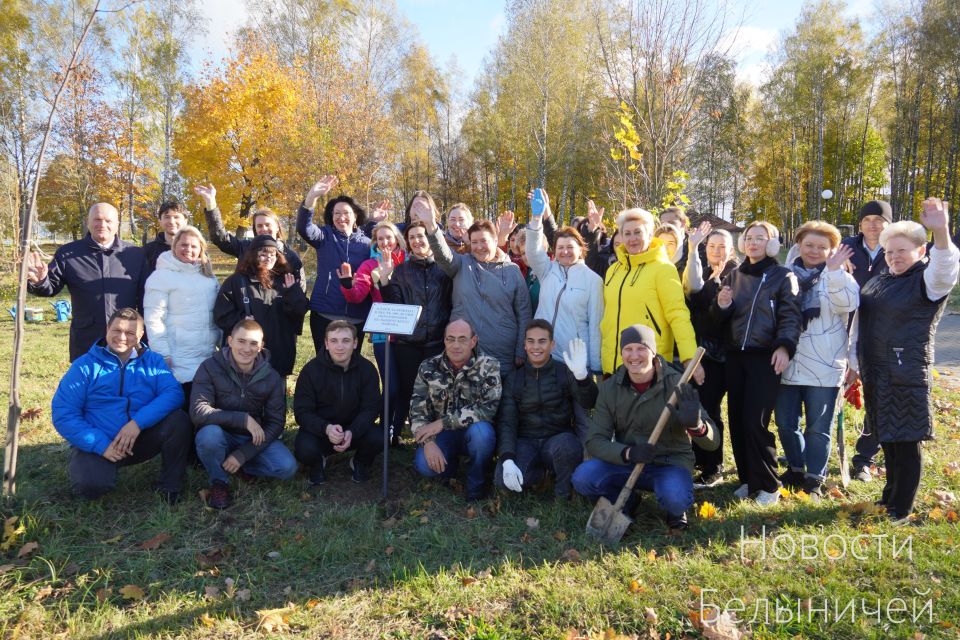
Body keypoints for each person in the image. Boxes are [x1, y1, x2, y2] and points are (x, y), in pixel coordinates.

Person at [849, 198, 959, 522]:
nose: (894, 257)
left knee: (906, 442)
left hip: (905, 372)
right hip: (876, 373)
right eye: (889, 251)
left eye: (902, 251)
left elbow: (946, 266)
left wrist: (940, 230)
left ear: (921, 252)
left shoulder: (927, 280)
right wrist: (855, 364)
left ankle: (901, 508)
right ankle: (889, 498)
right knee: (889, 440)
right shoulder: (883, 279)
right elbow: (861, 323)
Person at [571, 324, 719, 530]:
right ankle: (628, 501)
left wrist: (696, 426)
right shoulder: (610, 389)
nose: (634, 356)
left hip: (669, 463)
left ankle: (675, 510)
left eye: (641, 348)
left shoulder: (677, 383)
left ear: (653, 352)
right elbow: (595, 441)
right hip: (629, 463)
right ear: (621, 353)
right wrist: (628, 453)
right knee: (583, 477)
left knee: (675, 498)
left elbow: (713, 443)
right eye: (628, 349)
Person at [51, 308, 190, 503]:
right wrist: (101, 445)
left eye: (130, 332)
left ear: (141, 335)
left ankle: (170, 485)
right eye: (116, 330)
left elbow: (173, 393)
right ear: (107, 329)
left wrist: (137, 423)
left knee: (178, 420)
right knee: (91, 486)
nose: (122, 337)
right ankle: (99, 469)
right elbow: (64, 414)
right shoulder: (84, 366)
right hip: (101, 441)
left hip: (139, 438)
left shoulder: (153, 361)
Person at [711, 220, 801, 506]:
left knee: (755, 422)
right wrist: (721, 307)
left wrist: (785, 347)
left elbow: (790, 316)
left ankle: (770, 484)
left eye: (760, 238)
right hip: (735, 356)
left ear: (772, 244)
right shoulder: (734, 276)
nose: (753, 242)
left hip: (765, 357)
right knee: (737, 419)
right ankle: (748, 480)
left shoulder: (783, 276)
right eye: (749, 237)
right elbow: (719, 320)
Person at [775, 221, 859, 497]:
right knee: (786, 424)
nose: (814, 251)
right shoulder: (784, 274)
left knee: (818, 427)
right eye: (809, 244)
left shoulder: (840, 276)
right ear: (798, 244)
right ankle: (796, 468)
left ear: (832, 250)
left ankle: (814, 477)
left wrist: (834, 272)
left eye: (822, 247)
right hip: (788, 361)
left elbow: (848, 304)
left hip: (825, 364)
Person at [190, 319, 298, 509]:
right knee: (209, 436)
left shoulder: (271, 376)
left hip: (251, 439)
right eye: (241, 341)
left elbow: (275, 423)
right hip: (219, 432)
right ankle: (219, 481)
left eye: (253, 343)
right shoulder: (209, 367)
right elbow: (198, 411)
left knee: (287, 467)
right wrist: (242, 419)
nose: (247, 348)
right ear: (230, 341)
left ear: (261, 346)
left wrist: (243, 454)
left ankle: (240, 465)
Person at [415, 206, 532, 375]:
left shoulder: (512, 271)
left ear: (494, 240)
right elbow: (443, 255)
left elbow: (524, 312)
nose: (479, 247)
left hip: (502, 353)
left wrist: (522, 350)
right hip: (464, 351)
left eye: (484, 241)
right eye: (474, 242)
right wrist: (431, 227)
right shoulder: (461, 264)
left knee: (501, 399)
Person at [27, 203, 148, 361]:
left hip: (126, 340)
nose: (102, 225)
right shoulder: (68, 254)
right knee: (89, 385)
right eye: (97, 219)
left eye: (108, 221)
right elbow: (50, 288)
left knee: (126, 383)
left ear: (117, 224)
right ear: (88, 221)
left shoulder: (135, 255)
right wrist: (40, 280)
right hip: (87, 340)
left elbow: (146, 298)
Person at [380, 193, 453, 443]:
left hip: (435, 342)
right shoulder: (401, 271)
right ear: (407, 243)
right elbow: (394, 305)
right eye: (411, 238)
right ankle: (395, 432)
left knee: (436, 392)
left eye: (421, 236)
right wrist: (384, 280)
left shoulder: (444, 269)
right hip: (408, 344)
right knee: (407, 390)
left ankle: (433, 436)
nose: (417, 241)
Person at [495, 322, 598, 499]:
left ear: (552, 344)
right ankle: (540, 475)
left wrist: (582, 377)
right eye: (531, 341)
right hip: (526, 440)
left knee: (567, 446)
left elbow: (590, 402)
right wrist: (507, 458)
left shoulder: (565, 371)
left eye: (542, 341)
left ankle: (563, 493)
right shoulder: (514, 378)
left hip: (558, 439)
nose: (536, 347)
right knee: (502, 481)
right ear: (525, 345)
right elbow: (507, 422)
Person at [599, 208, 700, 380]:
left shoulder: (663, 269)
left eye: (638, 232)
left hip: (648, 366)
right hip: (613, 365)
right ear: (621, 236)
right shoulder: (613, 271)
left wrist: (689, 356)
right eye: (627, 233)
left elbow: (678, 314)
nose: (632, 239)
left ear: (650, 234)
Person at [409, 319, 501, 501]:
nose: (456, 345)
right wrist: (427, 442)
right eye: (450, 339)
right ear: (444, 340)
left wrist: (442, 422)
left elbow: (487, 409)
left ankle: (476, 485)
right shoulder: (428, 367)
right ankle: (447, 468)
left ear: (473, 341)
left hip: (474, 432)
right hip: (443, 436)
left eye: (462, 339)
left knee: (482, 436)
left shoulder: (489, 365)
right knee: (423, 464)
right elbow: (416, 410)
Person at [297, 176, 384, 353]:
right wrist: (312, 197)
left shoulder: (367, 244)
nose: (341, 217)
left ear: (356, 216)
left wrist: (374, 222)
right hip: (324, 314)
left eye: (346, 213)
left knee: (351, 367)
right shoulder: (324, 237)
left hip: (356, 316)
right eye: (336, 213)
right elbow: (303, 227)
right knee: (324, 366)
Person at [293, 320, 383, 485]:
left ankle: (359, 462)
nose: (339, 347)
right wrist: (326, 428)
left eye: (346, 341)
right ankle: (318, 462)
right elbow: (302, 412)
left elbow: (371, 408)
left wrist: (352, 431)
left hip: (354, 430)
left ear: (355, 343)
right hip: (322, 431)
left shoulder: (367, 369)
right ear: (326, 344)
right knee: (303, 449)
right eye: (334, 341)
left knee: (379, 437)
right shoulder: (310, 371)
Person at [339, 220, 405, 439]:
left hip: (408, 333)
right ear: (375, 241)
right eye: (380, 238)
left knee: (405, 386)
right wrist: (348, 285)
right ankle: (385, 430)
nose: (385, 242)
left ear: (397, 239)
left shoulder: (407, 261)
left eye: (389, 237)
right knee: (392, 386)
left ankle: (396, 432)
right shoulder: (369, 265)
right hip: (382, 332)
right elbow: (358, 295)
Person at [524, 191, 603, 375]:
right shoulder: (547, 270)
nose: (565, 252)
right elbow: (533, 251)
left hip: (574, 360)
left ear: (581, 249)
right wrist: (537, 218)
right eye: (560, 247)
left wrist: (595, 367)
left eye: (570, 247)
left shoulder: (593, 280)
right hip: (543, 355)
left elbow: (595, 326)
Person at [683, 223, 737, 486]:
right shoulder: (700, 272)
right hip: (696, 352)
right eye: (712, 246)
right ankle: (698, 456)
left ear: (731, 250)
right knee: (696, 407)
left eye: (722, 247)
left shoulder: (736, 276)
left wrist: (714, 285)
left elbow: (716, 320)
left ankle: (713, 464)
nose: (716, 251)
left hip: (722, 356)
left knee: (712, 410)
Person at [842, 200, 891, 483]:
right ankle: (815, 452)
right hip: (843, 328)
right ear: (859, 224)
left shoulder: (896, 247)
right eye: (867, 219)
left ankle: (864, 459)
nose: (872, 224)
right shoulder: (846, 246)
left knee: (876, 397)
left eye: (878, 219)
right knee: (829, 392)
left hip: (882, 332)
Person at [143, 226, 220, 400]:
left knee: (204, 405)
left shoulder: (208, 276)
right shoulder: (161, 277)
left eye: (194, 246)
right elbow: (154, 319)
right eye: (184, 245)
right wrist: (162, 353)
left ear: (201, 249)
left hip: (206, 354)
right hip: (177, 356)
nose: (188, 250)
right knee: (180, 403)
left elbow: (216, 315)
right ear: (174, 246)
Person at [214, 236, 308, 377]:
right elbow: (221, 314)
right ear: (253, 256)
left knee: (275, 395)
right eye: (263, 254)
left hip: (279, 352)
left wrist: (292, 292)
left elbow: (299, 312)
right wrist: (241, 320)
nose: (268, 258)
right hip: (247, 354)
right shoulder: (237, 281)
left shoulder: (286, 280)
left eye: (272, 254)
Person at [195, 184, 305, 286]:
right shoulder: (245, 247)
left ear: (277, 227)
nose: (264, 229)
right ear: (255, 229)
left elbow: (300, 287)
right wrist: (211, 203)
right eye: (259, 226)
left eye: (268, 225)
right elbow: (220, 238)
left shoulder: (290, 256)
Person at [143, 201, 188, 276]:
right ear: (160, 221)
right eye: (167, 217)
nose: (171, 221)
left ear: (185, 221)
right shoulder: (147, 251)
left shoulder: (194, 251)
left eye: (176, 217)